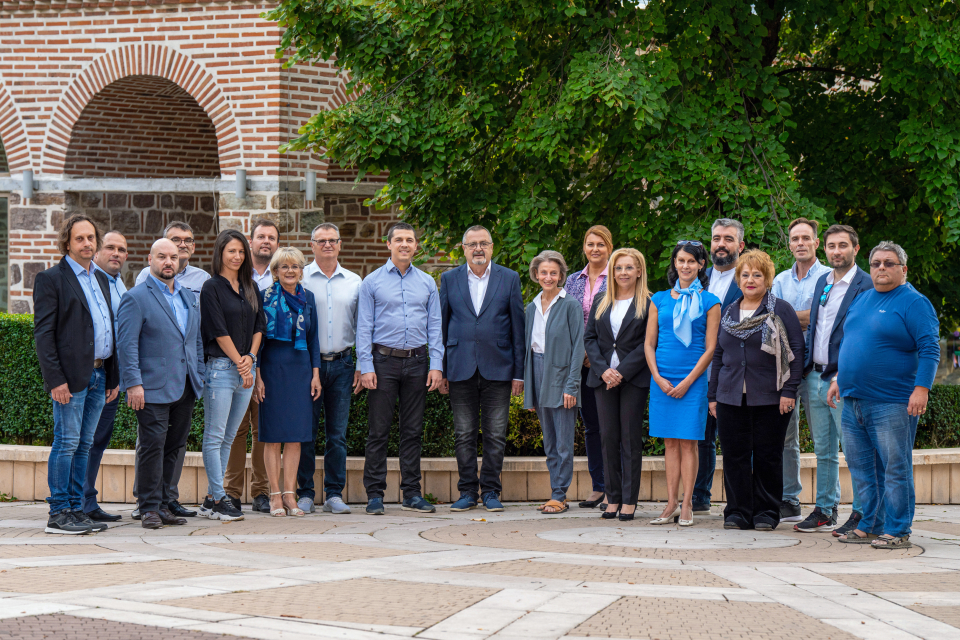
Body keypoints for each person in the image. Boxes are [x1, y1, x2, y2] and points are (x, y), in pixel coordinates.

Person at [829, 242, 939, 550]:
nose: (881, 268)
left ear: (903, 269)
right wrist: (839, 378)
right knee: (863, 468)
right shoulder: (862, 299)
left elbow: (930, 349)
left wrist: (921, 389)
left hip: (892, 401)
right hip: (853, 400)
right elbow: (851, 342)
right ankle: (872, 524)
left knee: (894, 467)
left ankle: (898, 529)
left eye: (888, 263)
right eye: (876, 263)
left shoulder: (914, 303)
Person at [33, 215, 120, 535]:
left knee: (84, 444)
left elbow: (106, 329)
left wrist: (113, 376)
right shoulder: (51, 279)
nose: (87, 243)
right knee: (67, 442)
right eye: (80, 238)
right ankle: (59, 512)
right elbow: (44, 335)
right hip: (69, 378)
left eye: (90, 238)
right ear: (67, 243)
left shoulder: (99, 279)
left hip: (99, 375)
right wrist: (55, 379)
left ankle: (77, 507)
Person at [709, 250, 804, 531]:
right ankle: (737, 511)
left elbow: (796, 350)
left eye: (757, 275)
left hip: (771, 396)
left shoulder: (780, 309)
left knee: (768, 455)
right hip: (729, 396)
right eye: (746, 274)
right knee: (734, 456)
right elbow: (718, 355)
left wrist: (789, 391)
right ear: (738, 279)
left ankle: (766, 512)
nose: (751, 280)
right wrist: (713, 395)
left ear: (768, 279)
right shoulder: (729, 311)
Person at [117, 239, 205, 530]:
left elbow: (196, 341)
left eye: (174, 257)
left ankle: (166, 503)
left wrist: (200, 375)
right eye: (162, 257)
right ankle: (149, 507)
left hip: (185, 386)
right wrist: (133, 383)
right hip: (150, 387)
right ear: (150, 259)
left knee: (176, 446)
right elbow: (127, 344)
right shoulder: (136, 297)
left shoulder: (189, 297)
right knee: (152, 446)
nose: (169, 262)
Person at [357, 223, 444, 515]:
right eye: (399, 240)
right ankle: (374, 494)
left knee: (412, 430)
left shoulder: (427, 282)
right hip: (383, 363)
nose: (404, 244)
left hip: (418, 363)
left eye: (409, 240)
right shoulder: (372, 282)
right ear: (389, 244)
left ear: (416, 245)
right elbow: (364, 327)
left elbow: (435, 326)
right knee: (378, 430)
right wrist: (366, 365)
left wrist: (437, 365)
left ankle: (412, 493)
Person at [440, 225, 525, 513]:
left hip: (498, 367)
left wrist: (518, 372)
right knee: (464, 433)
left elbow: (518, 327)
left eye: (484, 243)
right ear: (462, 248)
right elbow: (440, 325)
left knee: (495, 434)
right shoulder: (449, 279)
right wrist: (439, 369)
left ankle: (490, 491)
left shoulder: (509, 278)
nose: (478, 248)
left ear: (492, 247)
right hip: (459, 366)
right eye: (472, 244)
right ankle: (467, 491)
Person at [795, 224, 870, 535]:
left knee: (855, 449)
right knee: (824, 450)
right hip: (814, 375)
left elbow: (863, 336)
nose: (836, 251)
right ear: (823, 249)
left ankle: (864, 512)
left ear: (855, 248)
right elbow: (815, 327)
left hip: (845, 379)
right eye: (831, 246)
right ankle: (825, 510)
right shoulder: (823, 282)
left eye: (842, 245)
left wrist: (844, 372)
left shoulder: (865, 285)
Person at [646, 242, 721, 527]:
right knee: (669, 443)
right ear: (674, 264)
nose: (685, 266)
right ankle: (670, 503)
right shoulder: (660, 299)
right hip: (662, 380)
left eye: (691, 261)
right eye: (680, 260)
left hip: (693, 381)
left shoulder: (710, 301)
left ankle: (688, 502)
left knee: (689, 443)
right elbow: (649, 343)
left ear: (701, 264)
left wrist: (689, 381)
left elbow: (710, 348)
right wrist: (657, 376)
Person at [197, 230, 264, 522]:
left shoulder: (250, 287)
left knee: (228, 438)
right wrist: (240, 362)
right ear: (220, 253)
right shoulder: (211, 288)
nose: (236, 257)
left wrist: (250, 358)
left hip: (243, 369)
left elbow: (259, 326)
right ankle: (220, 497)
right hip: (222, 370)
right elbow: (217, 329)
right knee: (214, 436)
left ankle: (212, 500)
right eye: (231, 251)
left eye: (240, 252)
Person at [297, 223, 362, 515]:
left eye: (332, 240)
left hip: (344, 364)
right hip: (308, 366)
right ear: (311, 245)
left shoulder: (354, 281)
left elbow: (363, 327)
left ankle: (334, 493)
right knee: (306, 432)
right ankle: (306, 493)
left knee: (337, 434)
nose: (327, 245)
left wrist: (363, 366)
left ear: (339, 245)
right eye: (320, 241)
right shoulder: (301, 280)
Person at [254, 247, 323, 517]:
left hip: (301, 370)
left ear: (301, 270)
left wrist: (316, 373)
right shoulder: (263, 298)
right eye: (284, 266)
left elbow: (314, 338)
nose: (290, 271)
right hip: (271, 369)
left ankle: (290, 495)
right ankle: (274, 495)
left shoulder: (309, 299)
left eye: (295, 266)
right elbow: (257, 340)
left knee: (295, 437)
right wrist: (257, 374)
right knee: (272, 436)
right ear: (275, 271)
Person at [770, 218, 831, 523]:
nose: (800, 243)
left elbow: (825, 319)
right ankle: (789, 498)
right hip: (785, 369)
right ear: (790, 244)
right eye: (795, 239)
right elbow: (772, 319)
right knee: (786, 438)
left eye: (806, 238)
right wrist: (806, 317)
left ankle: (826, 506)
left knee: (824, 442)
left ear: (816, 243)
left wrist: (792, 317)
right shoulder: (779, 280)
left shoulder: (828, 277)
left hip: (818, 371)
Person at [584, 249, 651, 522]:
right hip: (602, 380)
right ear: (612, 272)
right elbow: (590, 339)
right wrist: (604, 371)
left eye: (628, 267)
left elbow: (647, 342)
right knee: (608, 437)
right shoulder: (602, 300)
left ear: (638, 271)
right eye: (618, 267)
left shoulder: (648, 303)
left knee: (630, 439)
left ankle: (629, 501)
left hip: (633, 379)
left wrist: (620, 372)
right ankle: (612, 498)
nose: (623, 272)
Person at [224, 218, 279, 514]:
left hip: (270, 364)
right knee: (235, 428)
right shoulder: (236, 278)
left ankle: (261, 491)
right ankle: (231, 490)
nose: (265, 241)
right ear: (251, 241)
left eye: (271, 237)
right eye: (260, 236)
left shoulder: (283, 274)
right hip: (237, 363)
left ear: (277, 243)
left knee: (263, 429)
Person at [524, 251, 584, 515]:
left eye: (554, 273)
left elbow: (578, 347)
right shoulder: (531, 306)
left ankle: (560, 495)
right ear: (536, 274)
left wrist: (572, 385)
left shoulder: (570, 304)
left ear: (561, 275)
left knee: (562, 442)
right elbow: (527, 349)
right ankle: (554, 492)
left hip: (561, 375)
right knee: (549, 442)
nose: (548, 277)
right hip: (538, 371)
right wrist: (529, 387)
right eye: (543, 272)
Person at [692, 218, 744, 514]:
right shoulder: (699, 278)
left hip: (734, 369)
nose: (720, 244)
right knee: (701, 436)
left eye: (727, 238)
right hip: (700, 369)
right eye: (716, 238)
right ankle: (700, 495)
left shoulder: (747, 278)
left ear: (740, 245)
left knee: (735, 439)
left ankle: (740, 500)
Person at [564, 225, 612, 508]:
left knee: (612, 427)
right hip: (579, 363)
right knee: (592, 427)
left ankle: (615, 489)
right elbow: (569, 320)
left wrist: (595, 355)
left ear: (609, 247)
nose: (595, 249)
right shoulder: (572, 280)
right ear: (584, 247)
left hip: (607, 364)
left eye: (601, 244)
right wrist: (579, 355)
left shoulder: (618, 277)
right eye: (590, 244)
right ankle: (599, 486)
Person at [82, 230, 128, 523]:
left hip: (110, 378)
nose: (116, 253)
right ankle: (75, 502)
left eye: (122, 249)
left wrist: (118, 377)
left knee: (98, 440)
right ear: (97, 252)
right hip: (87, 375)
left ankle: (88, 500)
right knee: (79, 440)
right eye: (110, 247)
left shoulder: (119, 283)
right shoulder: (89, 281)